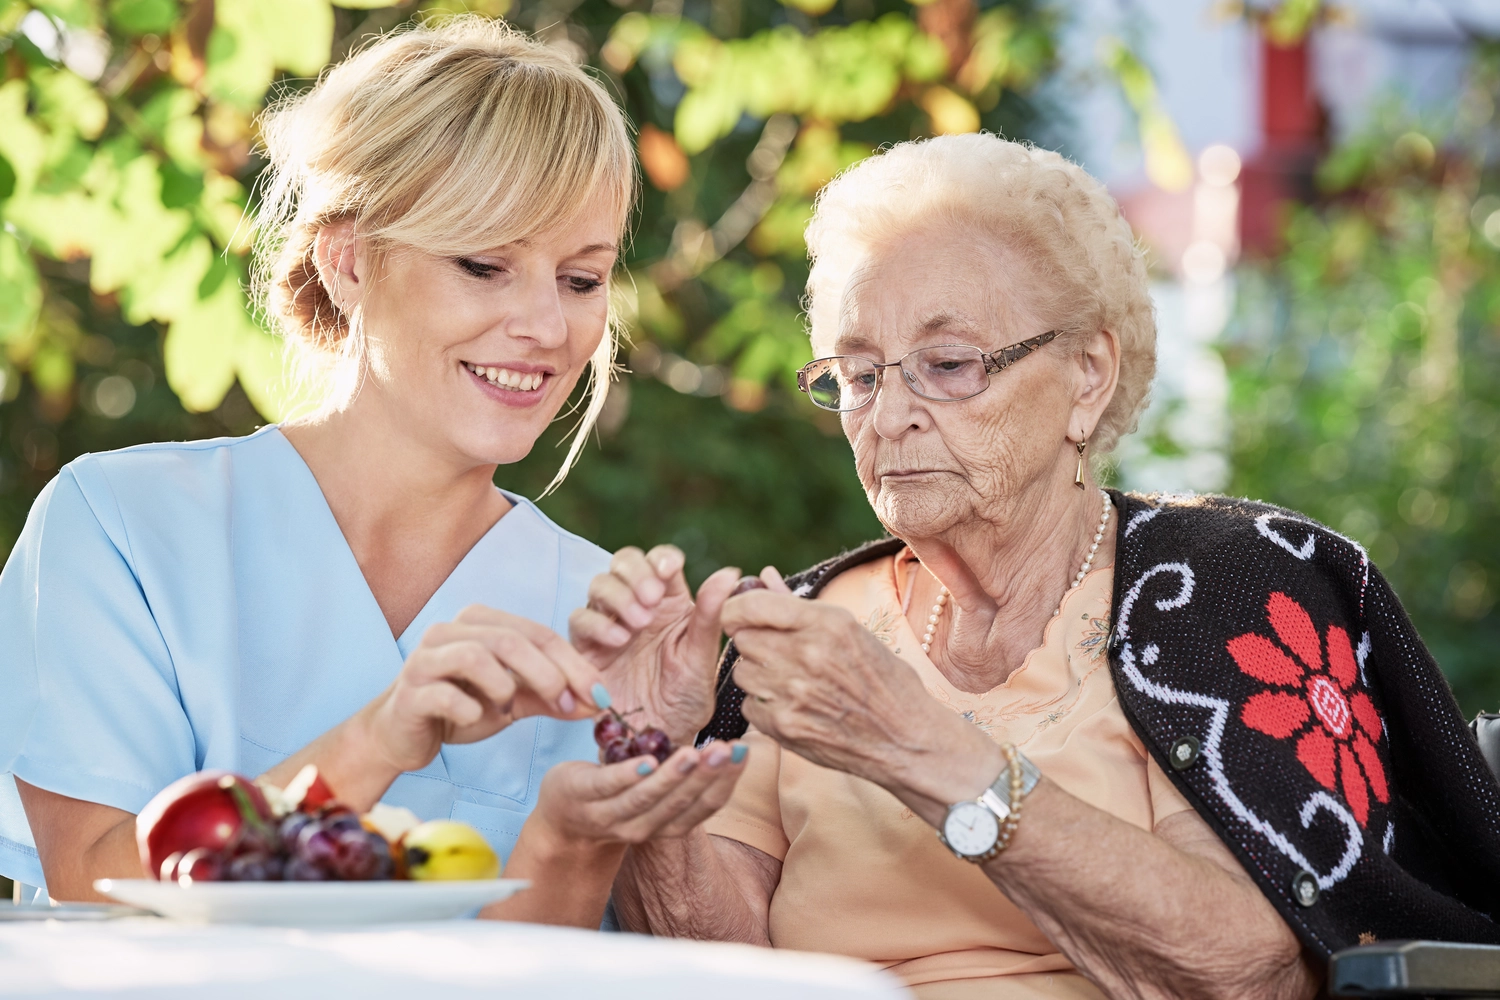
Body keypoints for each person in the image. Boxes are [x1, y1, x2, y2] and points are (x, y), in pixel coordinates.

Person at [575, 134, 1500, 996]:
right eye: (857, 374)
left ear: (1087, 377)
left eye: (946, 363)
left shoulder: (1223, 587)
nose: (887, 415)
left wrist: (920, 749)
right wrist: (648, 751)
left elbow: (1248, 968)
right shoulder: (812, 632)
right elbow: (727, 969)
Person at [0, 17, 747, 920]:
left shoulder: (608, 622)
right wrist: (376, 738)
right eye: (485, 265)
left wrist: (633, 769)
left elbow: (553, 964)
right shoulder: (117, 525)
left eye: (581, 280)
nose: (549, 328)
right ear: (347, 259)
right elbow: (94, 886)